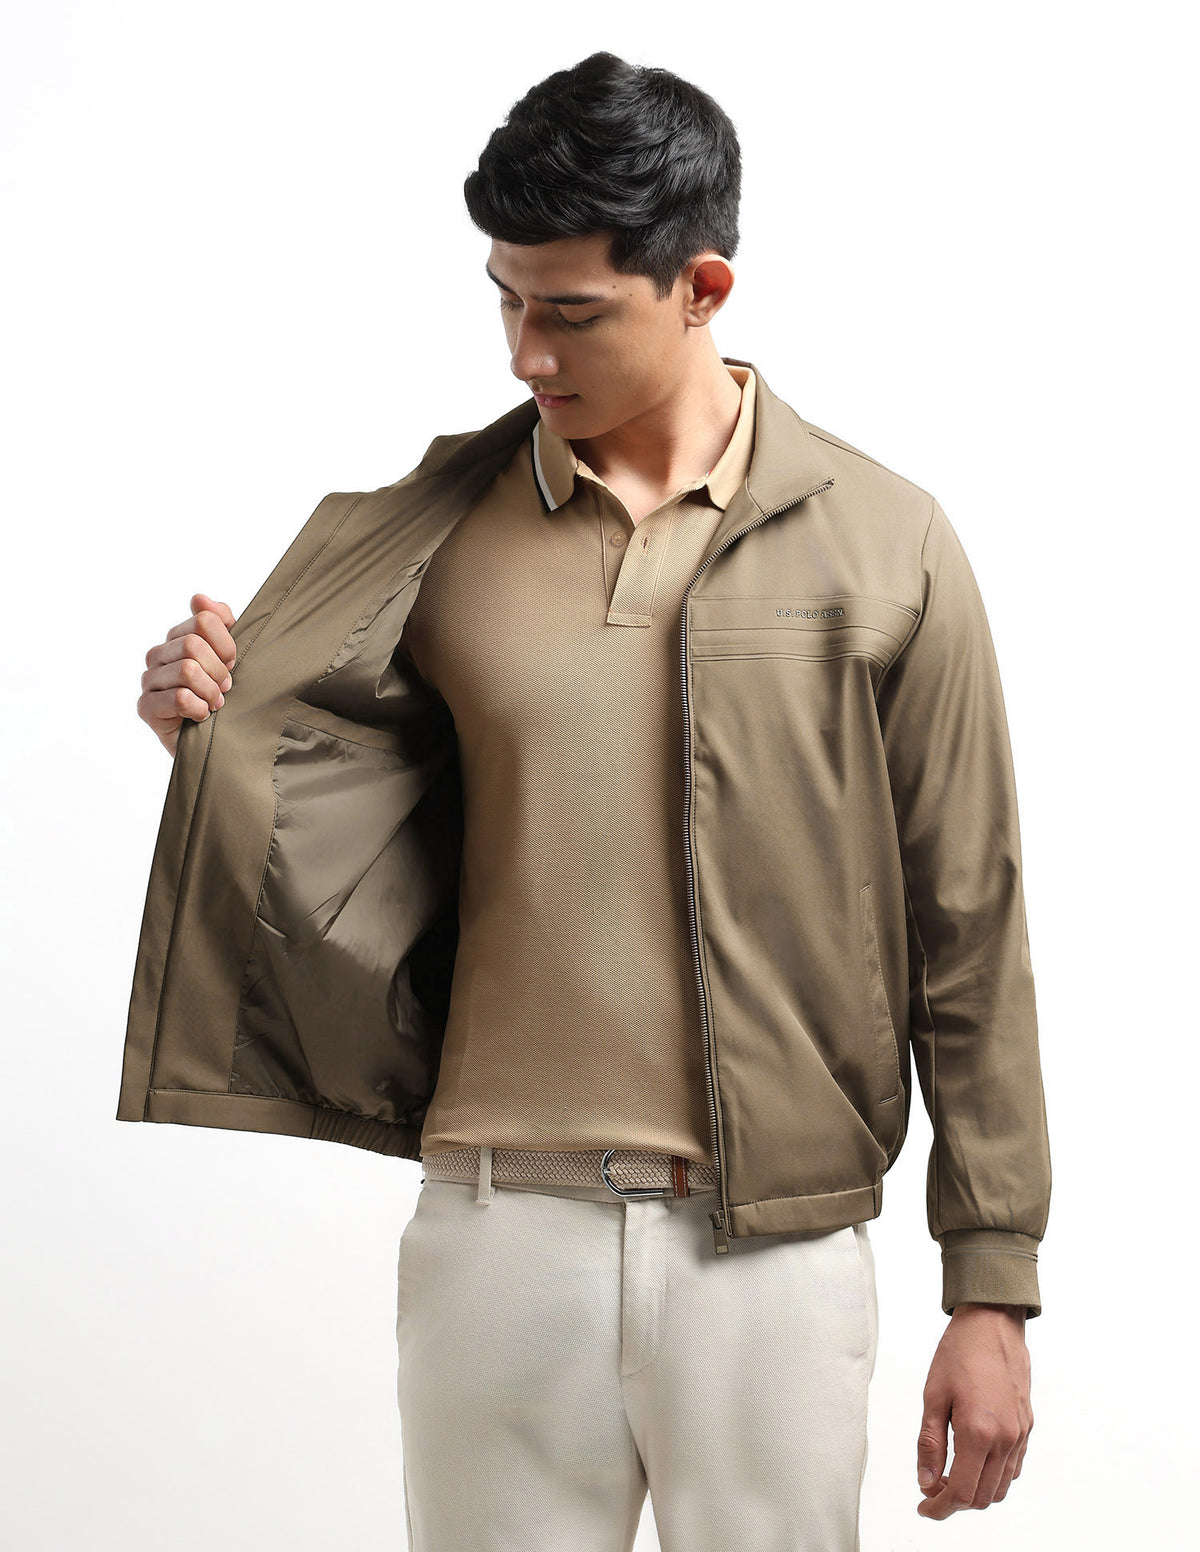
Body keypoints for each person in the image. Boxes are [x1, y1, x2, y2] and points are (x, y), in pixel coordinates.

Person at [122, 50, 1051, 1551]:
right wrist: (210, 734)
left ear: (702, 287)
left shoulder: (890, 543)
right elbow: (343, 828)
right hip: (495, 1237)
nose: (523, 353)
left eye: (569, 312)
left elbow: (971, 924)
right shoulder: (433, 532)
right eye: (503, 300)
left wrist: (992, 1283)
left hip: (772, 1248)